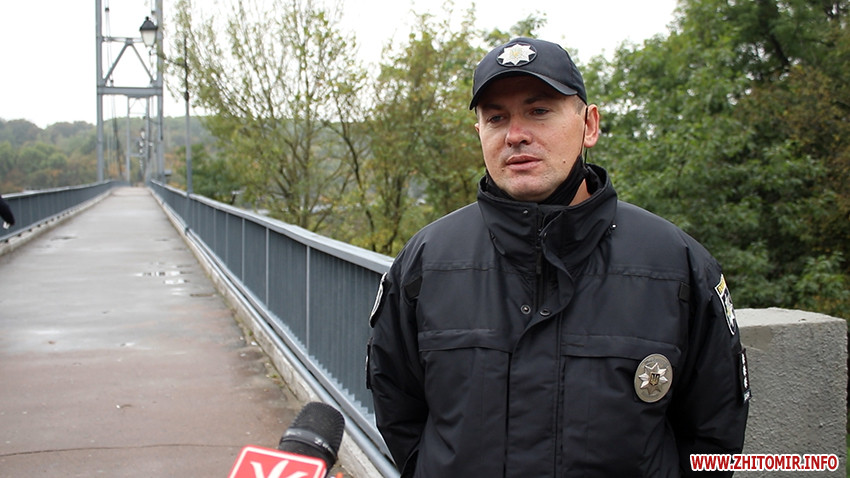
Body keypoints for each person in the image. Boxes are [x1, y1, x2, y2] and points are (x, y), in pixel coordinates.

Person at [367, 37, 749, 477]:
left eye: (539, 111)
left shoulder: (677, 266)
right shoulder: (424, 263)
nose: (515, 135)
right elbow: (399, 411)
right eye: (496, 118)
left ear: (589, 125)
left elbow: (714, 430)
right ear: (480, 134)